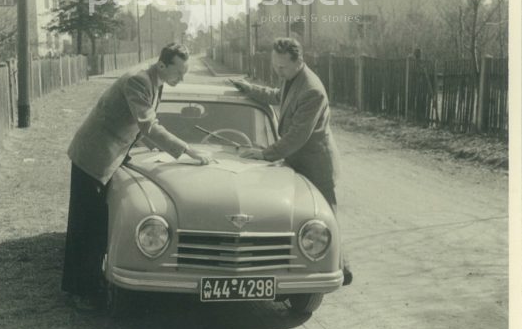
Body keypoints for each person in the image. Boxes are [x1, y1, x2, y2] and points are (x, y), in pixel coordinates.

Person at [62, 43, 213, 307]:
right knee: (86, 224)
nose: (182, 78)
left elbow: (141, 125)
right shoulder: (138, 80)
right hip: (93, 155)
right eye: (179, 73)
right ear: (163, 65)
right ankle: (80, 292)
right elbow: (149, 125)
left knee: (98, 222)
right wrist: (188, 150)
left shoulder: (158, 79)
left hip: (111, 152)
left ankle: (90, 282)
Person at [233, 37, 352, 285]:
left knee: (325, 215)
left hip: (316, 162)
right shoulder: (292, 78)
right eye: (275, 65)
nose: (277, 70)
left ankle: (341, 269)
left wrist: (265, 154)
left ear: (299, 61)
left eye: (282, 67)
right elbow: (279, 96)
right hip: (298, 159)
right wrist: (249, 88)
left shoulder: (312, 90)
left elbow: (297, 135)